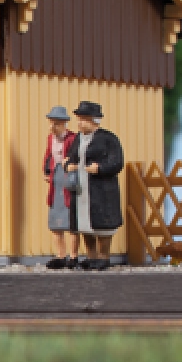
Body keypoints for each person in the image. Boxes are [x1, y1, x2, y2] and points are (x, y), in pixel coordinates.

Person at [63, 100, 124, 271]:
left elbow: (117, 162)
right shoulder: (78, 139)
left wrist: (100, 168)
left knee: (102, 227)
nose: (80, 123)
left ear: (95, 121)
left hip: (101, 190)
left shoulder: (108, 139)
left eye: (84, 119)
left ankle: (103, 257)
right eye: (79, 119)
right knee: (85, 224)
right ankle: (91, 256)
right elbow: (70, 157)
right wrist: (68, 165)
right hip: (81, 190)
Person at [42, 105, 79, 270]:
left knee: (71, 222)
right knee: (56, 222)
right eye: (51, 123)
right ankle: (61, 255)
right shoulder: (51, 138)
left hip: (68, 178)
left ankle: (73, 255)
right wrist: (46, 170)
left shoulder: (72, 138)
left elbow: (76, 156)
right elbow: (48, 155)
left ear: (64, 124)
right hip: (55, 180)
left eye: (56, 123)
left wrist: (70, 164)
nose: (53, 126)